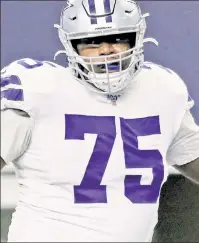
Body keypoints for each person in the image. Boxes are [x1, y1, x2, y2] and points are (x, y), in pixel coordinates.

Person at [1, 0, 199, 242]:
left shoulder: (162, 90)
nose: (106, 50)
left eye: (118, 38)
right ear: (71, 45)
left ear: (136, 38)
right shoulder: (38, 91)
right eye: (92, 42)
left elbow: (192, 156)